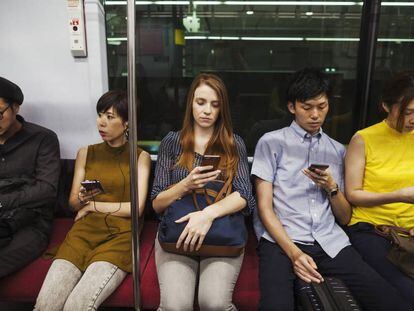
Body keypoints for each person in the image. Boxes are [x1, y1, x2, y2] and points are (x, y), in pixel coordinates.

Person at [252, 68, 412, 311]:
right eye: (307, 107)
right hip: (281, 240)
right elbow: (264, 209)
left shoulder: (337, 150)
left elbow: (345, 216)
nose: (315, 115)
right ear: (292, 107)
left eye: (322, 106)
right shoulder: (272, 142)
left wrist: (332, 188)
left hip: (329, 240)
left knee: (391, 302)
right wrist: (295, 255)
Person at [35, 90, 151, 310]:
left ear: (127, 123)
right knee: (45, 305)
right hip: (82, 234)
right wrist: (81, 200)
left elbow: (136, 208)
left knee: (77, 306)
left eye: (110, 117)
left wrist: (93, 205)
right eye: (100, 115)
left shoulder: (140, 157)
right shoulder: (85, 153)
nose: (101, 123)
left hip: (119, 238)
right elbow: (73, 204)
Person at [151, 73, 255, 311]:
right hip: (178, 232)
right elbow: (156, 203)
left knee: (215, 304)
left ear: (222, 109)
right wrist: (185, 185)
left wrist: (206, 215)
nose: (207, 110)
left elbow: (245, 197)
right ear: (191, 104)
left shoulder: (233, 143)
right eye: (201, 102)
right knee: (176, 306)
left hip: (220, 231)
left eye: (215, 105)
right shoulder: (172, 142)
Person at [345, 71, 414, 307]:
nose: (413, 118)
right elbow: (353, 194)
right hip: (373, 229)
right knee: (406, 294)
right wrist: (399, 195)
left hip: (411, 230)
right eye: (408, 112)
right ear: (386, 105)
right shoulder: (364, 139)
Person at [0, 77, 60, 278]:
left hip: (31, 222)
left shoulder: (43, 138)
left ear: (15, 108)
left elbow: (46, 189)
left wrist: (2, 202)